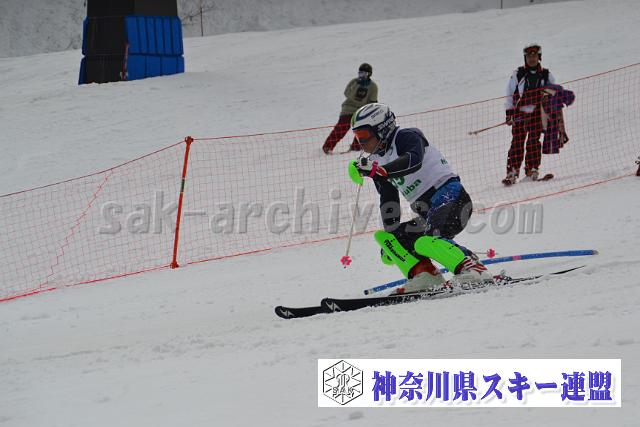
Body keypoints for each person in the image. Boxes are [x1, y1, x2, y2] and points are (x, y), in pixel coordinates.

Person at [349, 103, 493, 294]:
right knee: (389, 238)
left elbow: (413, 160)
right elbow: (388, 198)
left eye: (364, 135)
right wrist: (394, 242)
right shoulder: (376, 161)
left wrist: (381, 171)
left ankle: (473, 269)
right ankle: (425, 275)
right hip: (427, 210)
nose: (361, 142)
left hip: (451, 197)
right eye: (357, 136)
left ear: (382, 129)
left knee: (429, 240)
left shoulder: (407, 136)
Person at [503, 43, 556, 185]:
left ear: (539, 57)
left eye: (534, 56)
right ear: (525, 58)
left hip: (537, 114)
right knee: (517, 141)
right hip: (519, 114)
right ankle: (512, 171)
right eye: (528, 56)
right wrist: (509, 113)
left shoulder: (546, 75)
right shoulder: (518, 74)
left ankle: (532, 169)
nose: (531, 59)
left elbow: (553, 92)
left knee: (533, 141)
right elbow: (509, 93)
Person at [322, 63, 378, 154]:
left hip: (361, 110)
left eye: (364, 74)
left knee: (362, 128)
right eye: (360, 73)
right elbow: (347, 94)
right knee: (342, 127)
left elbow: (372, 101)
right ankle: (327, 147)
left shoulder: (373, 87)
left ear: (369, 74)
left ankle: (356, 147)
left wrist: (368, 111)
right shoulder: (354, 82)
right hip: (348, 108)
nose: (362, 76)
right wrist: (357, 85)